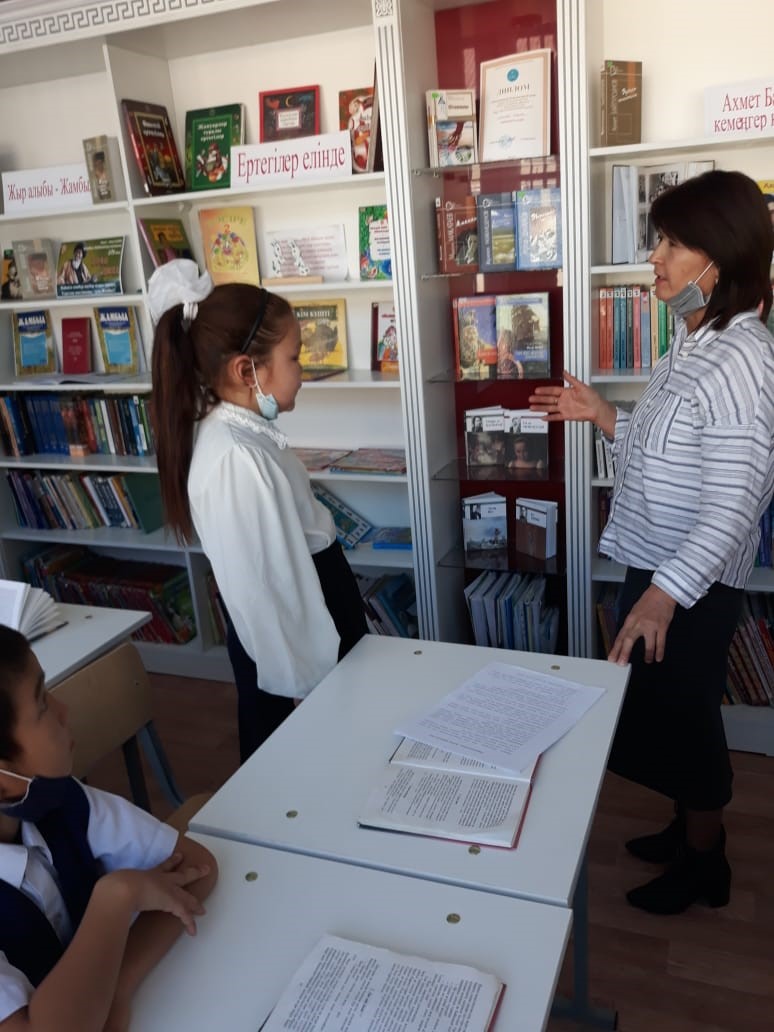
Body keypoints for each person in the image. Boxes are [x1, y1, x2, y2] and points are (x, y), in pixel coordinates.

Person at [529, 169, 774, 915]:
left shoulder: (742, 360)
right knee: (667, 713)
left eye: (672, 243)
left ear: (719, 259)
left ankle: (707, 863)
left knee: (688, 721)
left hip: (690, 586)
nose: (654, 258)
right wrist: (604, 414)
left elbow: (735, 505)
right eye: (657, 240)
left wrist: (665, 594)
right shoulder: (695, 341)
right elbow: (665, 447)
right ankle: (684, 830)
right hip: (661, 569)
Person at [149, 260, 367, 763]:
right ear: (247, 370)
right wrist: (311, 688)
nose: (303, 371)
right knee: (302, 765)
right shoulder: (235, 458)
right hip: (297, 653)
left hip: (317, 616)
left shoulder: (245, 433)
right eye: (294, 357)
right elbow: (268, 590)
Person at [0, 624, 217, 1032]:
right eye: (42, 705)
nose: (64, 710)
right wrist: (115, 898)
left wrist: (116, 988)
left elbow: (196, 867)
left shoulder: (60, 801)